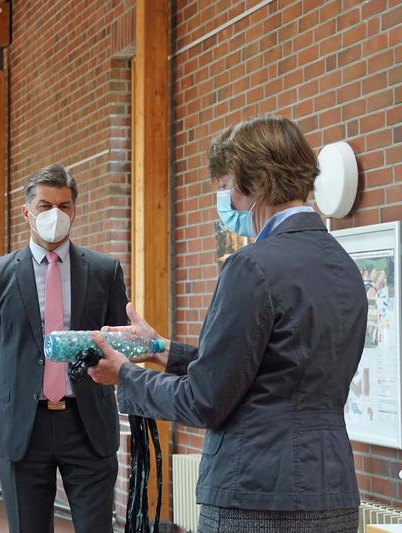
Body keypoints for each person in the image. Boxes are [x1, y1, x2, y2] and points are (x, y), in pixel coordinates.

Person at [88, 115, 367, 532]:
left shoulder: (251, 267)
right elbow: (271, 369)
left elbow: (204, 399)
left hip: (255, 495)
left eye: (228, 187)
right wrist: (161, 350)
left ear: (259, 184)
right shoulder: (345, 266)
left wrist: (124, 376)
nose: (227, 201)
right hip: (332, 493)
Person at [0, 164, 129, 533]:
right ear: (27, 212)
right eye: (45, 206)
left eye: (64, 205)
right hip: (23, 428)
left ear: (75, 210)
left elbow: (117, 341)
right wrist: (19, 393)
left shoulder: (105, 270)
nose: (55, 214)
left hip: (87, 422)